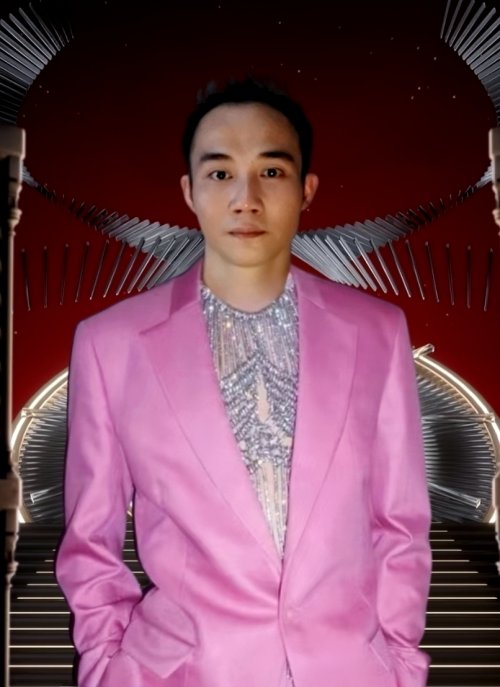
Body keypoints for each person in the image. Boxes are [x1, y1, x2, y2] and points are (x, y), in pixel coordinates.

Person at [55, 77, 432, 687]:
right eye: (221, 173)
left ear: (307, 189)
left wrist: (402, 664)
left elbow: (400, 524)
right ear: (190, 190)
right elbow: (89, 542)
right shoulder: (111, 345)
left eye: (271, 172)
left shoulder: (378, 332)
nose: (246, 198)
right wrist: (104, 666)